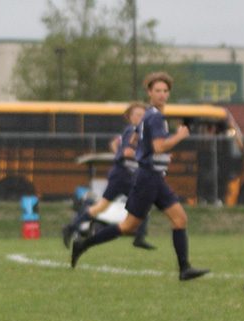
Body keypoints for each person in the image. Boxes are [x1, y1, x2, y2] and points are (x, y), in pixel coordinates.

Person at [71, 72, 209, 282]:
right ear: (149, 93)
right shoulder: (155, 117)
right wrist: (179, 136)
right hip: (147, 178)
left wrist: (159, 151)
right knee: (128, 227)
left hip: (155, 177)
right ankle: (83, 244)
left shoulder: (152, 116)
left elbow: (145, 144)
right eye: (158, 91)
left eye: (165, 91)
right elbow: (158, 146)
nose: (162, 94)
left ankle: (184, 269)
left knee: (180, 219)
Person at [62, 102, 154, 250]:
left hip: (120, 174)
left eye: (143, 114)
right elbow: (127, 152)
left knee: (101, 207)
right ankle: (139, 237)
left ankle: (71, 227)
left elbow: (116, 145)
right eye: (137, 114)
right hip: (123, 175)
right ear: (130, 117)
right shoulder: (132, 131)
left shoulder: (137, 132)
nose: (141, 117)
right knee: (143, 201)